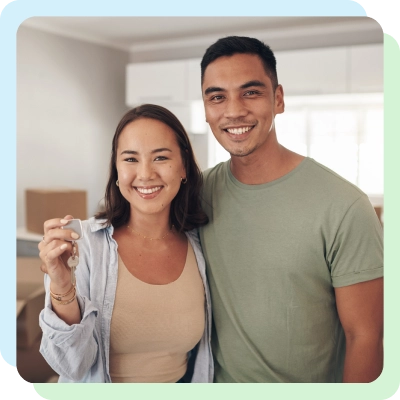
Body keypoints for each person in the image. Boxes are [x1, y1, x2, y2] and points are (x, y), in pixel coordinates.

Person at [198, 36, 383, 383]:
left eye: (251, 92)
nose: (234, 110)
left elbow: (366, 338)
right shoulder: (196, 195)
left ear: (278, 99)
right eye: (217, 96)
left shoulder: (344, 206)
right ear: (206, 108)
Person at [38, 104, 214, 383]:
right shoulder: (82, 246)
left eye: (160, 157)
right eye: (130, 159)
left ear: (183, 167)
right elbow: (72, 366)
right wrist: (61, 287)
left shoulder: (202, 245)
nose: (145, 174)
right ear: (117, 171)